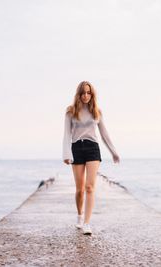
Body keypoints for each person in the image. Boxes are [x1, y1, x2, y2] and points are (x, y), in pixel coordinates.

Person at [62, 81, 120, 236]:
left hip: (93, 148)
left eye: (88, 93)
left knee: (89, 187)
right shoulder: (70, 111)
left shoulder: (96, 111)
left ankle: (87, 223)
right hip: (76, 148)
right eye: (83, 93)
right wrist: (66, 154)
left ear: (92, 94)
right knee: (80, 189)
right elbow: (67, 134)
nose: (86, 95)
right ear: (78, 94)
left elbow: (104, 133)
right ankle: (80, 215)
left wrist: (113, 151)